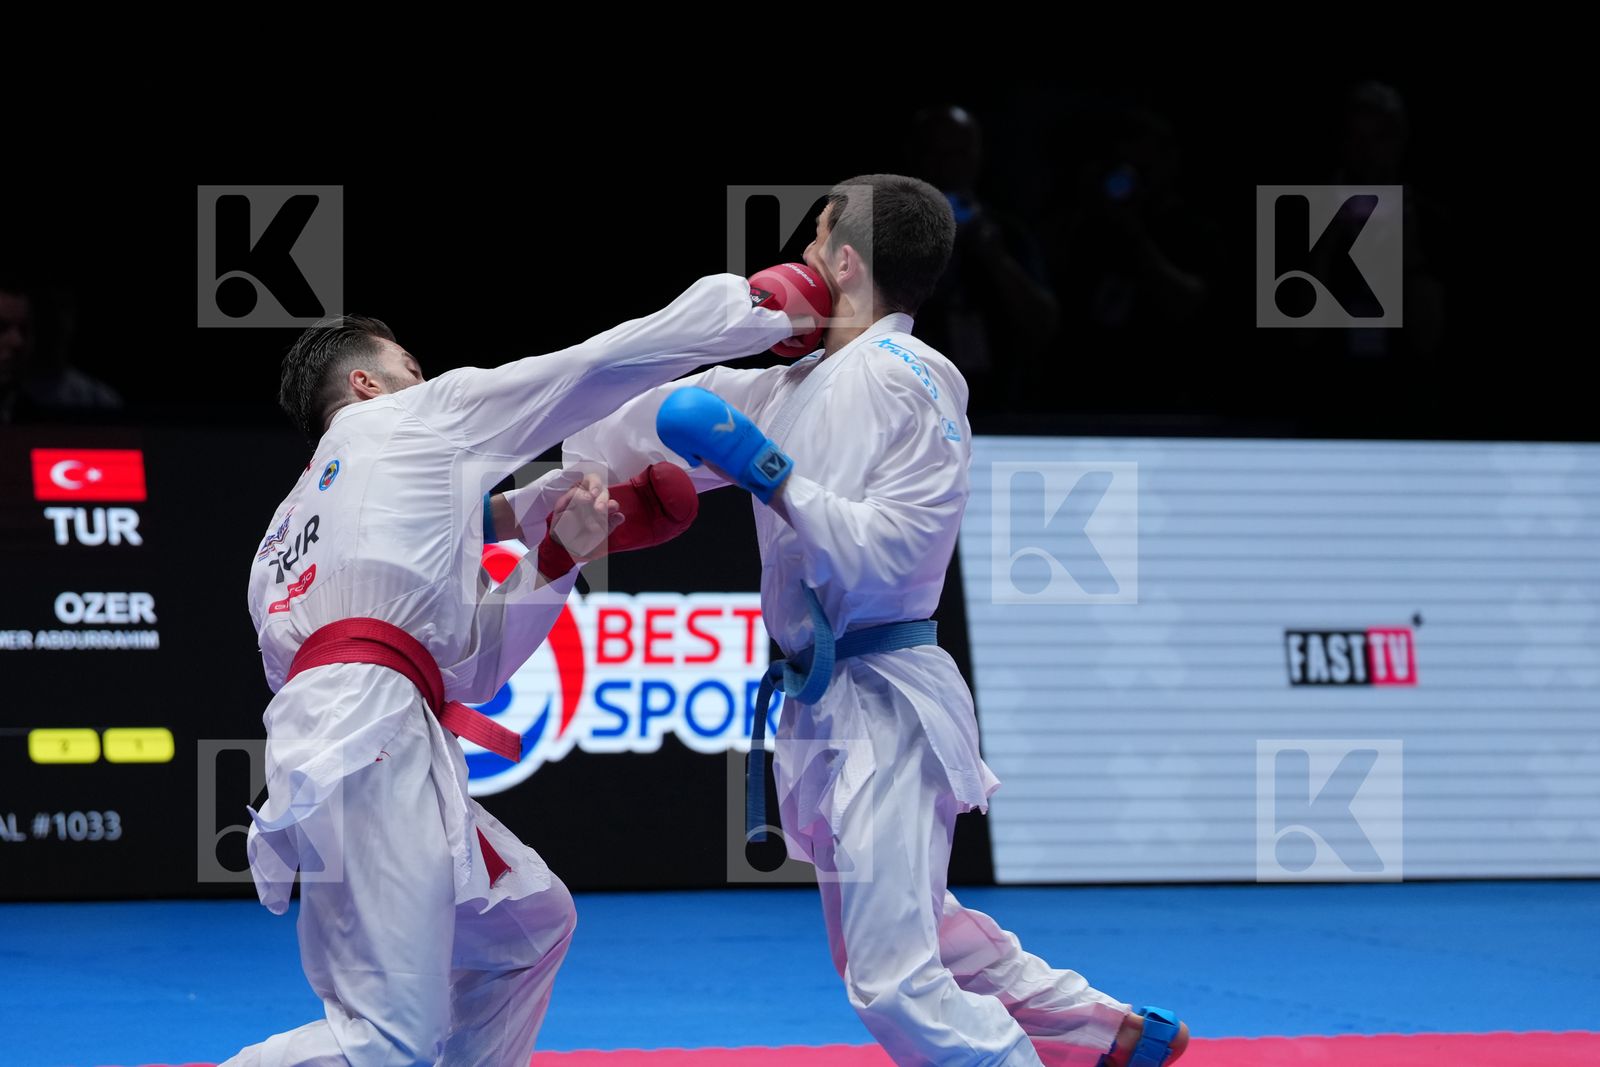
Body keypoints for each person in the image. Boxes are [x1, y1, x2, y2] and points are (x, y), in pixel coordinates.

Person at [563, 175, 1189, 1067]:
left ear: (846, 259)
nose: (799, 259)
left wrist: (770, 472)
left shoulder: (912, 375)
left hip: (888, 694)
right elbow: (613, 436)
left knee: (892, 979)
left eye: (815, 239)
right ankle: (1105, 1031)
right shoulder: (787, 385)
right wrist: (723, 333)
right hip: (818, 700)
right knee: (904, 929)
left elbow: (893, 554)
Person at [223, 274, 801, 1067]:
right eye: (410, 365)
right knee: (386, 1042)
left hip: (352, 745)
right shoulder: (417, 416)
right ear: (365, 383)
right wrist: (758, 314)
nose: (425, 377)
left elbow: (468, 674)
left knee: (530, 926)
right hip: (372, 747)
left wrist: (559, 553)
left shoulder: (277, 544)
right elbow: (595, 365)